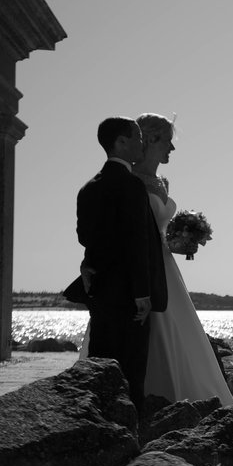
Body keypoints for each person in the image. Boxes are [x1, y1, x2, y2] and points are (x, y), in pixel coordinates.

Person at [130, 112, 233, 406]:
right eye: (167, 141)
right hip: (143, 268)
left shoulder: (163, 182)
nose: (172, 149)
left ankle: (187, 400)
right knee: (151, 333)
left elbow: (158, 233)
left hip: (167, 269)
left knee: (180, 333)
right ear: (150, 139)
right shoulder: (130, 180)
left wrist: (182, 242)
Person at [76, 117, 168, 406]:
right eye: (137, 137)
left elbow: (85, 237)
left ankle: (96, 420)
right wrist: (142, 293)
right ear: (121, 142)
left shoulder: (88, 187)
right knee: (132, 368)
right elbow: (136, 241)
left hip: (101, 290)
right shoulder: (131, 186)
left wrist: (92, 264)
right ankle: (131, 428)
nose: (142, 143)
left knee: (101, 362)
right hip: (129, 294)